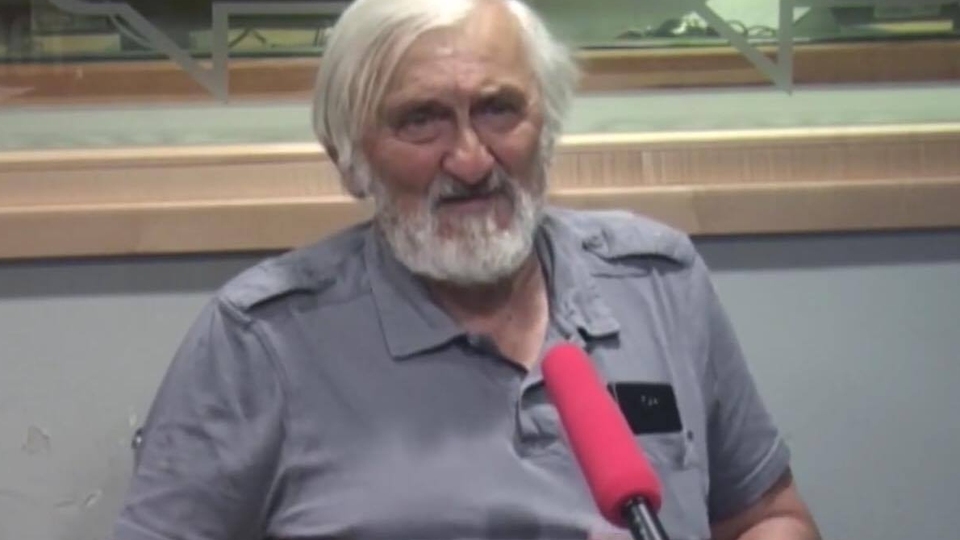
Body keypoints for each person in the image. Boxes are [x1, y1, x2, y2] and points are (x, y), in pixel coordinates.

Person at [112, 1, 822, 539]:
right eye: (421, 120)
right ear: (348, 157)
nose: (473, 161)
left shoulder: (658, 282)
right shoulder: (259, 342)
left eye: (498, 110)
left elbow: (769, 516)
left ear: (548, 126)